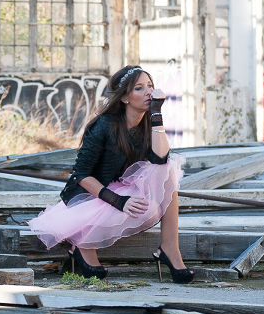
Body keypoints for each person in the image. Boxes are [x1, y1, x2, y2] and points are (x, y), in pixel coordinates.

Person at [28, 65, 194, 284]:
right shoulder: (104, 126)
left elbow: (161, 161)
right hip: (92, 195)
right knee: (151, 194)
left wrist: (157, 114)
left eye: (150, 86)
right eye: (139, 88)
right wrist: (118, 201)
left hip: (123, 188)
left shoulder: (148, 123)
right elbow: (81, 174)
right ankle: (83, 246)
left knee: (169, 171)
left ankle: (170, 249)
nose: (148, 92)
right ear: (124, 98)